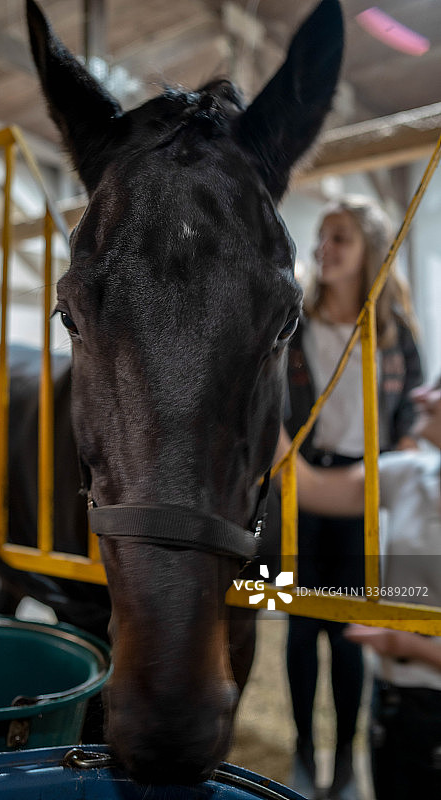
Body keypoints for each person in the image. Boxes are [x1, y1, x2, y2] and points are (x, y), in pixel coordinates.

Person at [284, 195, 423, 799]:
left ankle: (341, 760)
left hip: (364, 491)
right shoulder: (293, 322)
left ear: (370, 249)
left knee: (348, 632)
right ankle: (301, 749)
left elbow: (413, 412)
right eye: (322, 236)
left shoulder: (394, 334)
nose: (324, 249)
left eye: (339, 237)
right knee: (296, 626)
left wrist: (408, 453)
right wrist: (281, 457)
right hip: (297, 486)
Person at [276, 376, 441, 799]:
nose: (418, 394)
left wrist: (411, 645)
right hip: (392, 703)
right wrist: (260, 402)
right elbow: (309, 486)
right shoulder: (409, 473)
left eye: (439, 390)